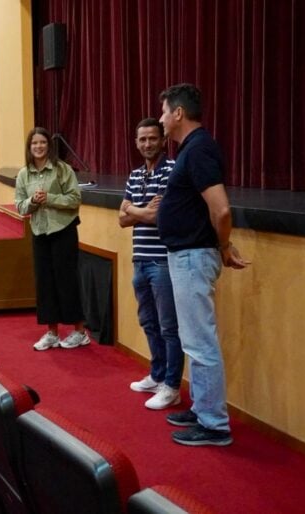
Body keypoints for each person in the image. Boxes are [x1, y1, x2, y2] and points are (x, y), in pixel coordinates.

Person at [157, 83, 249, 446]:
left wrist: (224, 246)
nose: (161, 119)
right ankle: (201, 409)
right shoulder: (191, 150)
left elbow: (221, 208)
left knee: (200, 342)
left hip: (194, 256)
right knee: (192, 339)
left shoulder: (199, 150)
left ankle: (213, 424)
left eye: (164, 112)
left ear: (178, 113)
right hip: (187, 254)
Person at [119, 118, 184, 410]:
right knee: (149, 322)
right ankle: (157, 376)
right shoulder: (134, 175)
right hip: (140, 260)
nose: (147, 144)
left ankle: (172, 386)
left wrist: (134, 210)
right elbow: (122, 220)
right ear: (136, 143)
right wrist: (140, 211)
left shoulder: (171, 171)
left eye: (152, 139)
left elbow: (156, 216)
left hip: (162, 261)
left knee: (169, 327)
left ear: (162, 140)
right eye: (142, 139)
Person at [14, 127, 89, 351]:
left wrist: (50, 198)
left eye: (42, 143)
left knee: (67, 282)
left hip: (63, 230)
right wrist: (33, 202)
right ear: (29, 147)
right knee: (45, 283)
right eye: (34, 143)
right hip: (39, 232)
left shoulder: (62, 169)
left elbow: (75, 199)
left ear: (49, 146)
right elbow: (19, 206)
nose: (38, 147)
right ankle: (52, 333)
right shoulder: (23, 174)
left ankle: (79, 331)